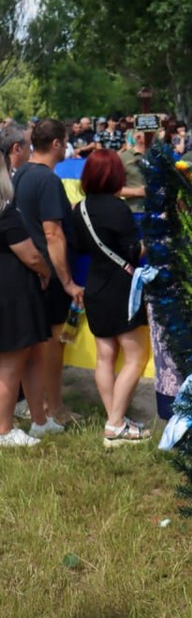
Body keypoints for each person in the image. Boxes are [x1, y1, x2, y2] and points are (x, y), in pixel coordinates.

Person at [71, 149, 152, 446]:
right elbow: (133, 252)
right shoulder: (118, 208)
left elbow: (80, 248)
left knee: (105, 357)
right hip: (121, 288)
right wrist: (151, 242)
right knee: (136, 356)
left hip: (95, 286)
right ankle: (115, 424)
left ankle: (114, 419)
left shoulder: (77, 208)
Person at [13, 119, 84, 435]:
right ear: (57, 143)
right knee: (54, 345)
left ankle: (36, 403)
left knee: (35, 346)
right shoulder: (47, 180)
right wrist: (67, 282)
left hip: (26, 271)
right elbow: (53, 234)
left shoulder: (22, 174)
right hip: (48, 273)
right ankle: (54, 408)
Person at [0, 149, 51, 446]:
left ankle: (40, 420)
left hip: (18, 293)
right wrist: (46, 271)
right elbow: (30, 255)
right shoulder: (6, 213)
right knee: (10, 365)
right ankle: (4, 430)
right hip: (13, 295)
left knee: (31, 356)